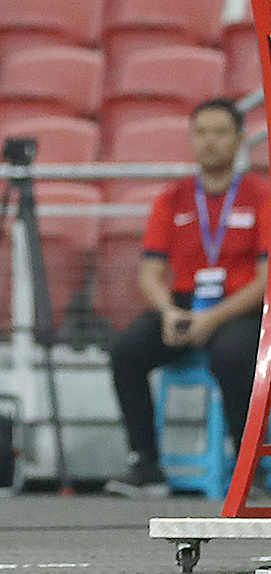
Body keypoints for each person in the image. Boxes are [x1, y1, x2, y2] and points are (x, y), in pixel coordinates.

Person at [105, 99, 269, 496]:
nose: (209, 142)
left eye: (220, 132)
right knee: (125, 352)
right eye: (201, 132)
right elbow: (149, 272)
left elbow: (265, 279)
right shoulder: (172, 198)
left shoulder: (260, 197)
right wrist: (166, 311)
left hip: (239, 306)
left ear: (239, 140)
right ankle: (145, 465)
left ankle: (251, 469)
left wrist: (212, 319)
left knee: (232, 357)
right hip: (184, 302)